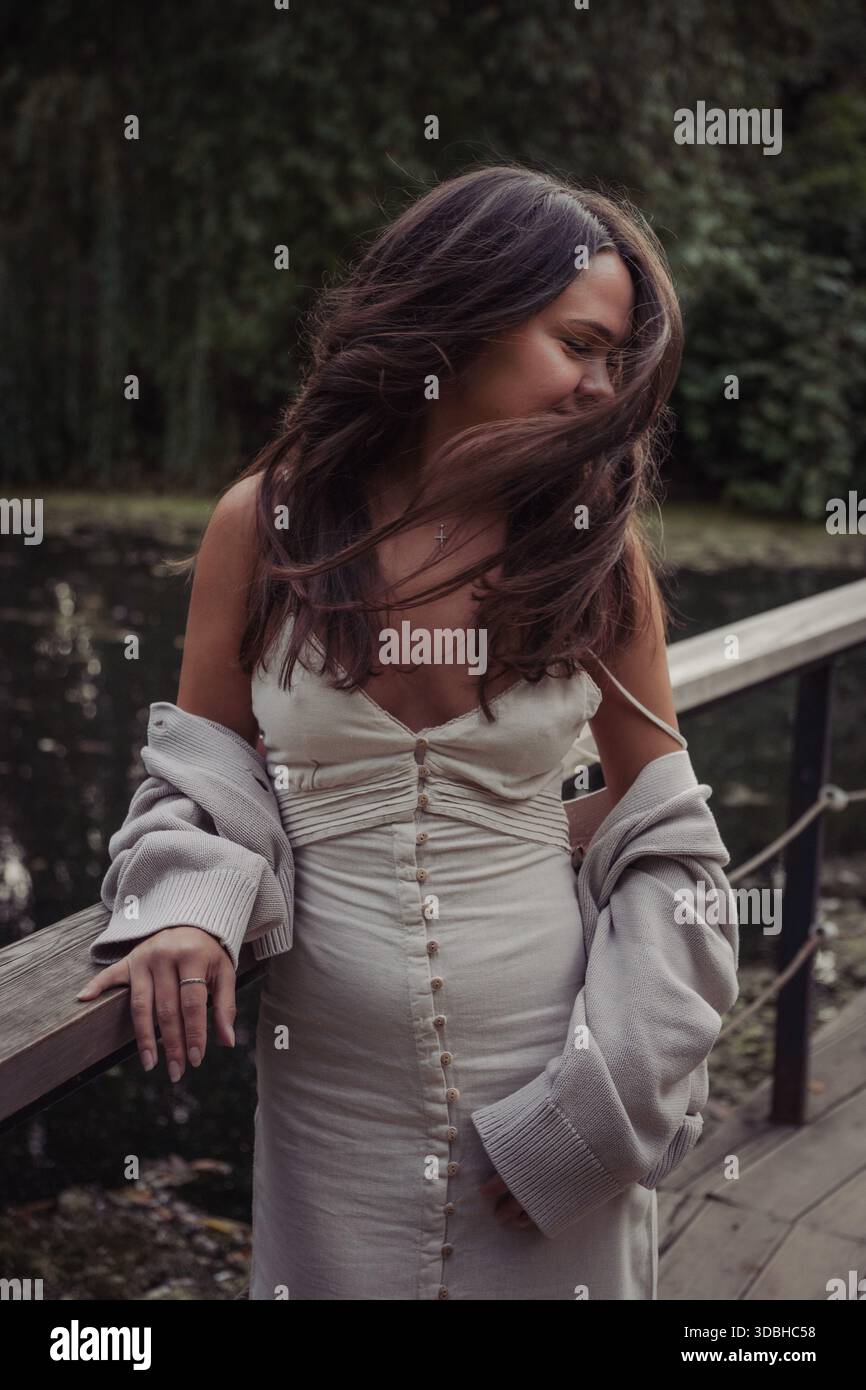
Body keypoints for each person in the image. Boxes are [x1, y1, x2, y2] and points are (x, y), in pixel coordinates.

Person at [78, 164, 739, 1300]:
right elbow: (203, 765)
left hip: (552, 1080)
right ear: (462, 315)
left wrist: (601, 1100)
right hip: (328, 1100)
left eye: (616, 359)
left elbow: (664, 838)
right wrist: (185, 907)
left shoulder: (587, 547)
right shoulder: (269, 522)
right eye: (576, 344)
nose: (600, 386)